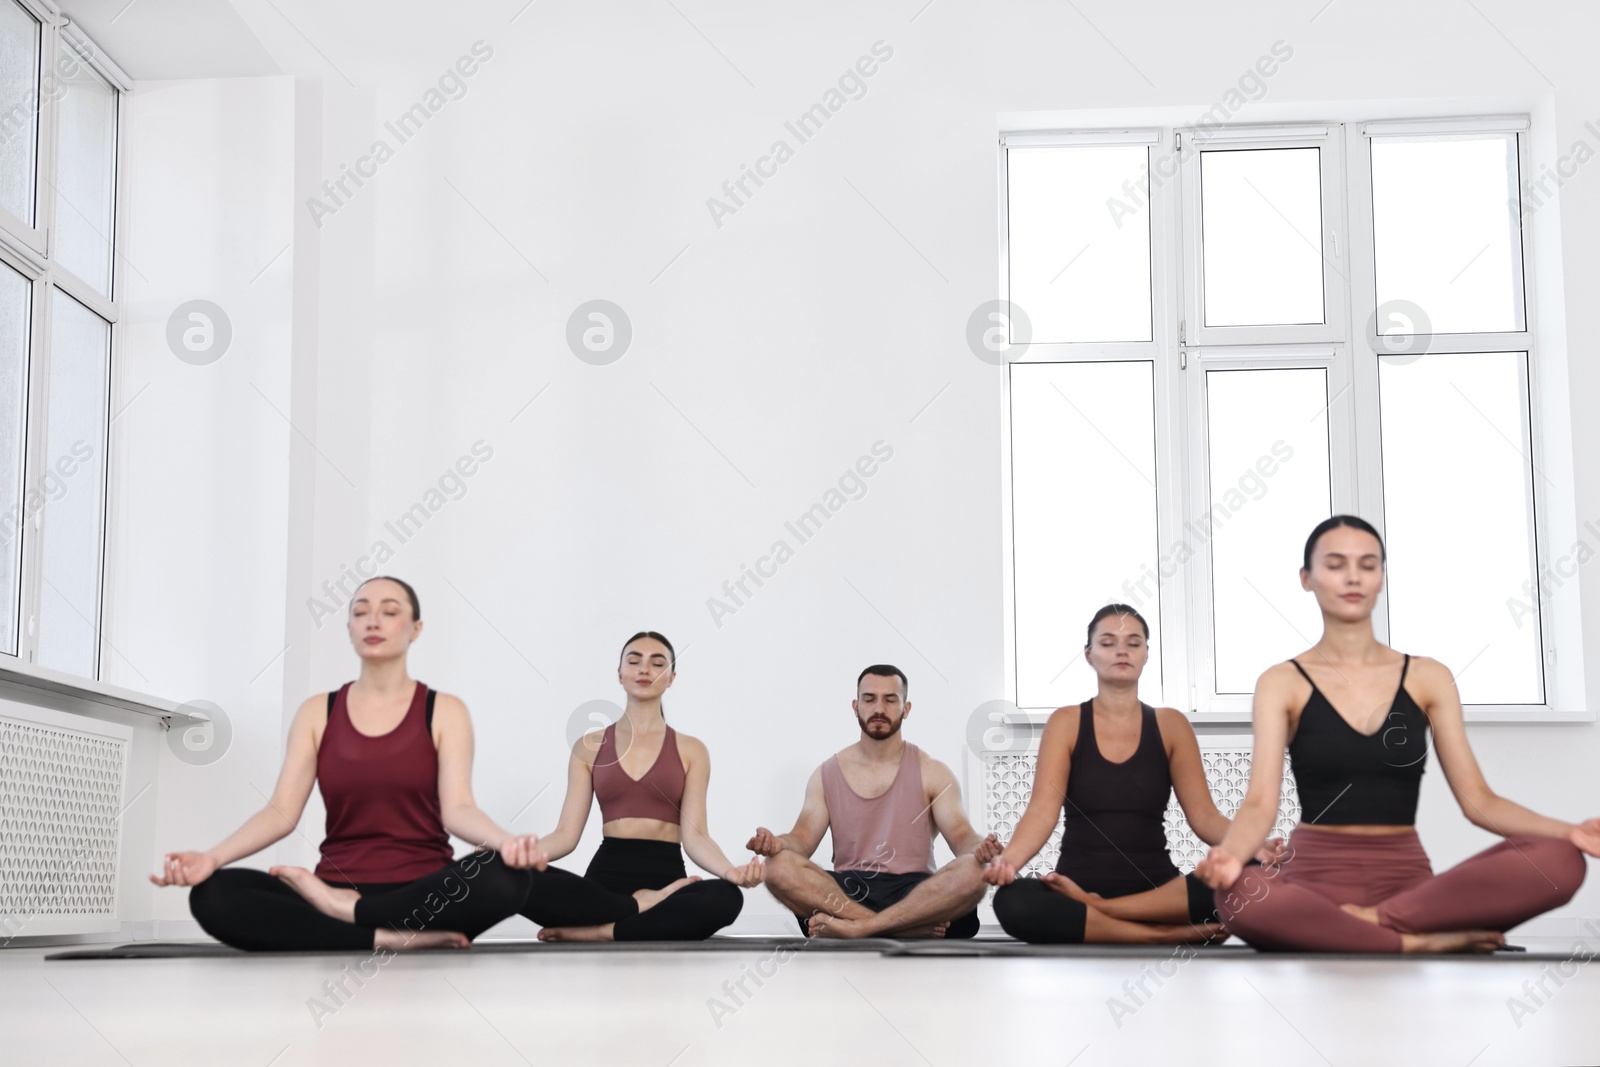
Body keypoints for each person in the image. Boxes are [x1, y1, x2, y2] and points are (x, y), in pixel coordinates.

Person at [1195, 515, 1598, 952]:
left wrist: (1568, 832)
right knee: (1234, 896)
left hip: (1409, 889)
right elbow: (1259, 805)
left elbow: (1479, 802)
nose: (1353, 576)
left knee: (1560, 862)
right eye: (1335, 564)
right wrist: (1231, 856)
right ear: (1306, 578)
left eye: (1368, 565)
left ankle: (1373, 926)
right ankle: (1420, 943)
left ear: (1381, 578)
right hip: (1313, 882)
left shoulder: (1428, 677)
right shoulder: (1282, 681)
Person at [151, 576, 542, 951]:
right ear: (350, 628)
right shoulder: (317, 712)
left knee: (506, 877)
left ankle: (355, 916)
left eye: (389, 612)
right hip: (333, 886)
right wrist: (211, 858)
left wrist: (505, 844)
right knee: (214, 894)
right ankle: (381, 938)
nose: (372, 621)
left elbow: (459, 809)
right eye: (360, 612)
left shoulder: (445, 711)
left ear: (416, 628)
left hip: (422, 895)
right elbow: (281, 812)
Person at [983, 605, 1260, 944]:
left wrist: (1251, 847)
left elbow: (1204, 817)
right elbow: (1042, 811)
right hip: (1075, 885)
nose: (1121, 651)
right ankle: (1161, 936)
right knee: (1013, 900)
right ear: (1088, 654)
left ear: (1146, 654)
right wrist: (1007, 863)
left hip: (1158, 890)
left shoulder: (1171, 725)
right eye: (1108, 642)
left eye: (1133, 642)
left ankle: (1107, 915)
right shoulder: (1066, 723)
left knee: (1252, 877)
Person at [518, 632, 758, 941]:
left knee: (726, 897)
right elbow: (565, 835)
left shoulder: (691, 750)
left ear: (671, 677)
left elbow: (696, 836)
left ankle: (603, 932)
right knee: (514, 880)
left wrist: (731, 872)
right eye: (634, 661)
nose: (644, 669)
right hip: (604, 883)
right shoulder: (588, 746)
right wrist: (513, 859)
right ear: (620, 674)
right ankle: (632, 914)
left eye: (657, 663)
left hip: (666, 879)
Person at [749, 664, 1001, 939]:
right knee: (777, 867)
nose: (879, 708)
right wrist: (778, 844)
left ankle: (859, 929)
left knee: (973, 871)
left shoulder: (933, 772)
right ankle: (902, 929)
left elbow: (962, 837)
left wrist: (981, 848)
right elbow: (801, 840)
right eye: (869, 699)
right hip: (849, 893)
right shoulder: (826, 774)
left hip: (916, 894)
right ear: (856, 706)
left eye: (890, 700)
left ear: (906, 708)